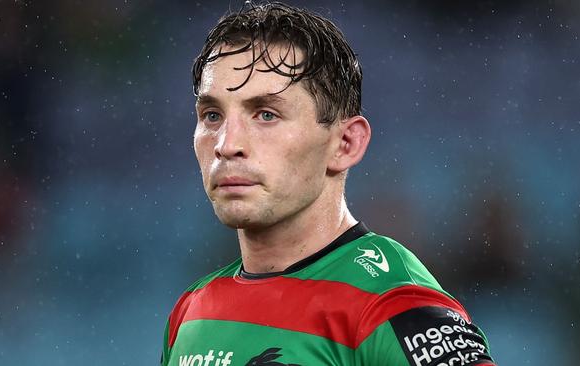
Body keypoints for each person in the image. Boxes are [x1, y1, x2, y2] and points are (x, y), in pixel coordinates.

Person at [161, 2, 497, 365]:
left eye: (266, 114)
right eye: (212, 115)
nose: (227, 145)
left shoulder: (390, 304)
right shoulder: (190, 312)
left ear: (344, 144)